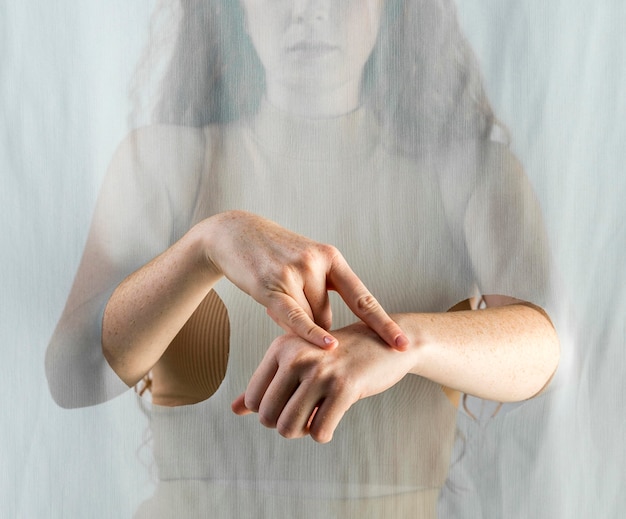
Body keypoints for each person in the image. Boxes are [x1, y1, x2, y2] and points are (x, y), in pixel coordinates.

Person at [45, 0, 560, 516]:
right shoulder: (162, 165)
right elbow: (72, 374)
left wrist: (400, 343)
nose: (308, 9)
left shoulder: (471, 174)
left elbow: (542, 347)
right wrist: (207, 245)